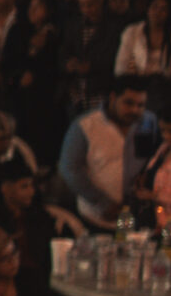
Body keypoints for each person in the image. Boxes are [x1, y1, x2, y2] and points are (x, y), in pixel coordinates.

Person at [58, 78, 151, 225]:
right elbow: (69, 169)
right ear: (113, 97)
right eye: (129, 103)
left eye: (140, 105)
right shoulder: (85, 126)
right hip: (96, 218)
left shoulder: (146, 124)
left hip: (136, 219)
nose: (134, 110)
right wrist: (103, 202)